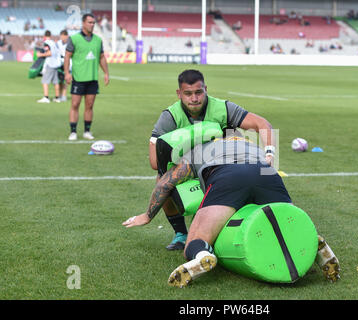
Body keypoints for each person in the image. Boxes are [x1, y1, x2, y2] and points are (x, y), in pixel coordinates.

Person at [123, 134, 341, 287]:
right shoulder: (248, 143)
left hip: (228, 176)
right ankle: (314, 243)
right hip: (266, 172)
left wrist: (147, 215)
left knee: (195, 239)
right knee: (287, 221)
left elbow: (164, 184)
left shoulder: (195, 151)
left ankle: (202, 255)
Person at [148, 70, 277, 251]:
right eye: (188, 94)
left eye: (199, 92)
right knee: (161, 178)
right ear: (179, 94)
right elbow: (155, 162)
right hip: (189, 167)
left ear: (205, 89)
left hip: (223, 169)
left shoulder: (222, 108)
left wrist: (270, 153)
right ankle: (181, 234)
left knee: (257, 177)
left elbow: (262, 124)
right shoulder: (170, 117)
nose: (194, 98)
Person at [64, 13, 109, 141]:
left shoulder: (98, 40)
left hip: (93, 79)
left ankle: (87, 131)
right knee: (75, 104)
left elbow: (101, 57)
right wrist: (67, 73)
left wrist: (106, 73)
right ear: (83, 23)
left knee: (89, 106)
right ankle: (73, 132)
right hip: (78, 79)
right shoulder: (74, 39)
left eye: (93, 23)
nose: (92, 25)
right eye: (89, 22)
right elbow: (67, 56)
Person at [36, 30, 61, 103]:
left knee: (45, 81)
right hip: (56, 63)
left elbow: (49, 53)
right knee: (56, 82)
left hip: (50, 64)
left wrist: (40, 55)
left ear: (44, 36)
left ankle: (46, 97)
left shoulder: (47, 43)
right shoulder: (54, 43)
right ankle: (57, 97)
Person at [57, 29, 69, 102]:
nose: (62, 38)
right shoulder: (58, 43)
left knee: (65, 80)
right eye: (61, 36)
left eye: (63, 36)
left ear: (66, 36)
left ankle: (64, 95)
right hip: (59, 62)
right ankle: (60, 94)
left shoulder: (69, 44)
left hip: (66, 63)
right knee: (59, 80)